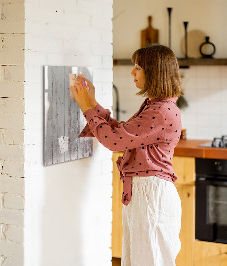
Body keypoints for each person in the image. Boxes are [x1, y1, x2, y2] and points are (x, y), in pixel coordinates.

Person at [71, 44, 183, 266]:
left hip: (151, 197)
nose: (133, 73)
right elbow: (122, 133)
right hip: (146, 195)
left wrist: (86, 108)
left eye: (138, 67)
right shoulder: (156, 106)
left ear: (154, 72)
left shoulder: (160, 111)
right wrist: (92, 103)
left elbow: (114, 141)